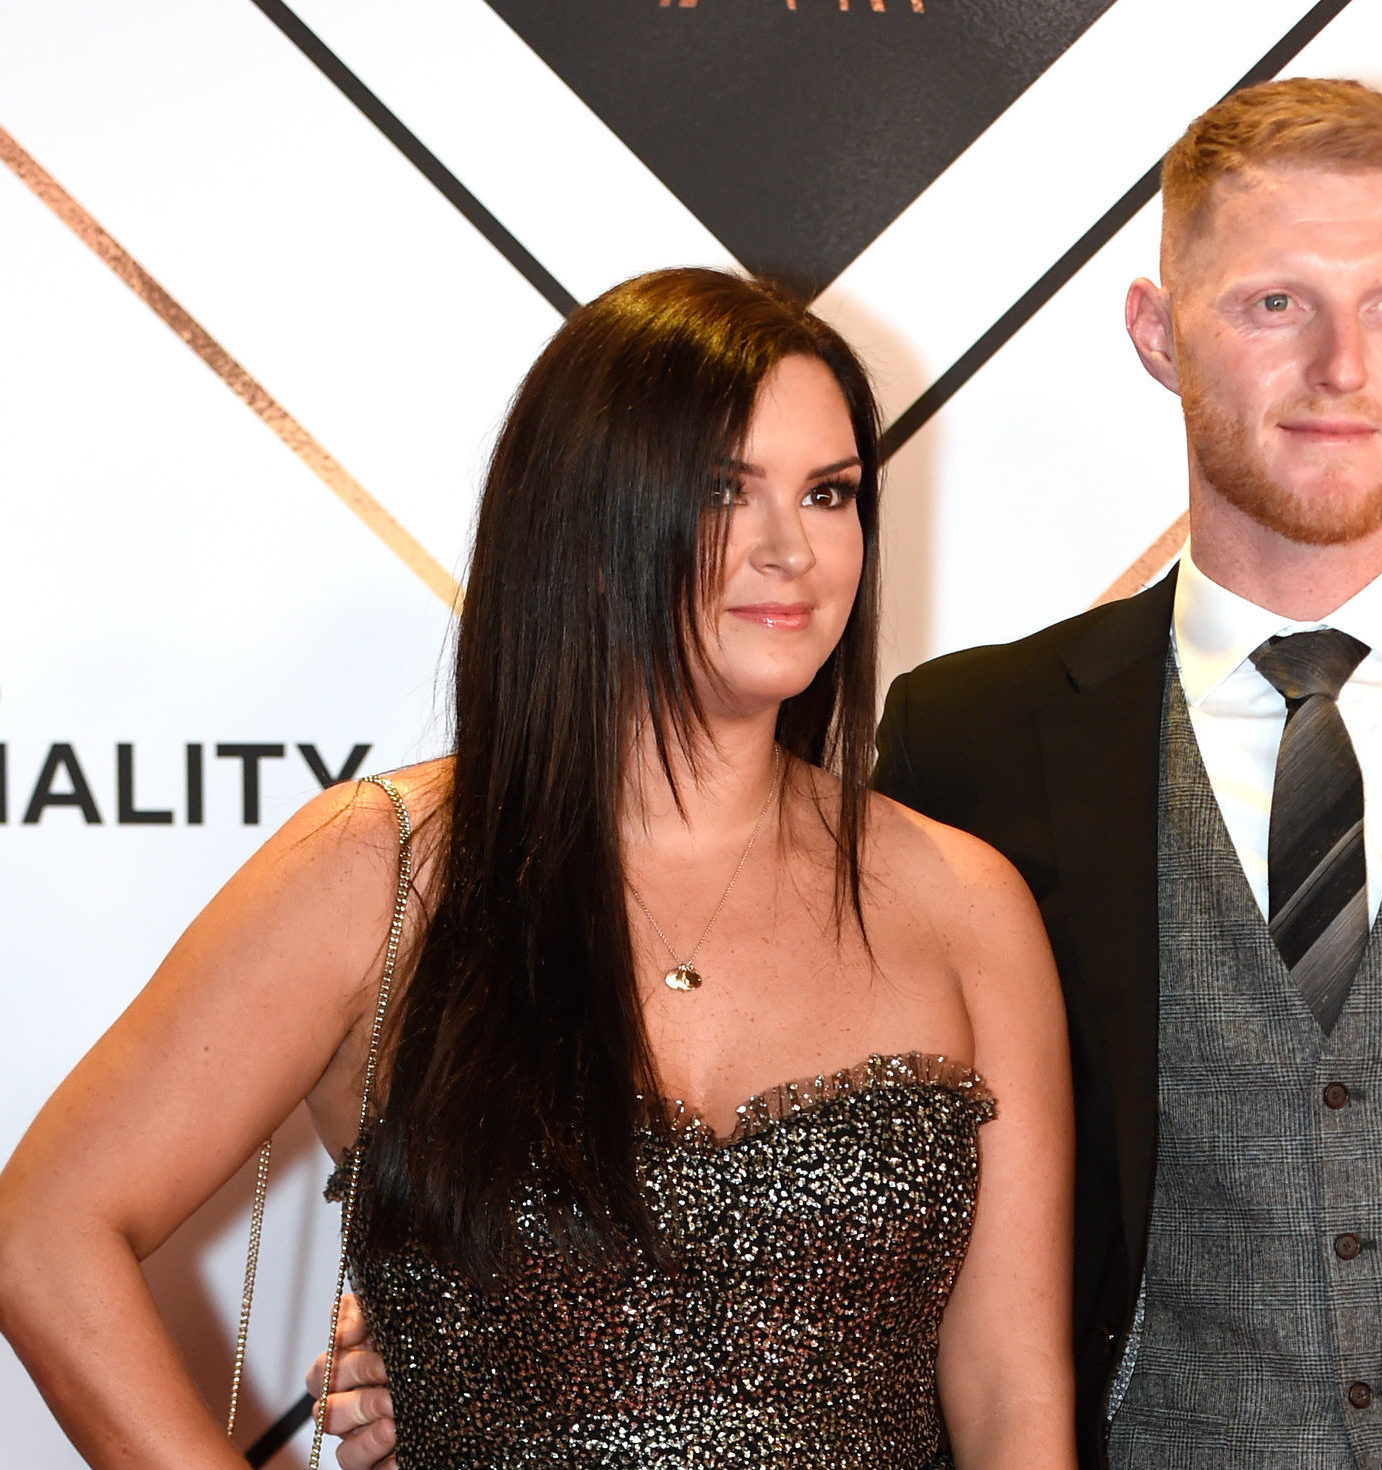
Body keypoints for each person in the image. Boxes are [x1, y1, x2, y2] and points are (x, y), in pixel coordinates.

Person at [324, 79, 1382, 1470]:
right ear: (1155, 332)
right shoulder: (972, 741)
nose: (1340, 363)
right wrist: (496, 1334)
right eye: (1274, 303)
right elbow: (826, 1207)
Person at [0, 269, 1077, 1470]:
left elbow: (1012, 1401)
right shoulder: (386, 869)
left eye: (829, 493)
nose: (792, 549)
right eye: (725, 492)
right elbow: (45, 1229)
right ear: (587, 523)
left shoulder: (963, 906)